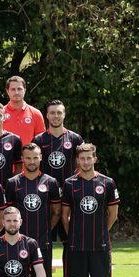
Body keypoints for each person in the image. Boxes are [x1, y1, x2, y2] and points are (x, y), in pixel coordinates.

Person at [61, 143, 119, 277]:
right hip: (76, 247)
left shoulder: (107, 183)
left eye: (89, 158)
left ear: (95, 158)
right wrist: (74, 235)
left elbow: (113, 214)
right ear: (77, 160)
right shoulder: (69, 184)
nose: (86, 161)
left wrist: (101, 232)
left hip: (99, 246)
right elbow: (65, 216)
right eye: (82, 158)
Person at [4, 143, 61, 277]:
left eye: (35, 158)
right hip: (17, 240)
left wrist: (46, 229)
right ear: (22, 158)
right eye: (28, 158)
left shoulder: (51, 182)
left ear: (41, 157)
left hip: (43, 240)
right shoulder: (12, 183)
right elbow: (7, 213)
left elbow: (57, 212)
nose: (32, 161)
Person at [33, 99, 84, 244]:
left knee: (71, 240)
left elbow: (83, 165)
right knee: (44, 240)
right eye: (52, 113)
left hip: (69, 195)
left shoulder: (75, 139)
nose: (56, 116)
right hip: (46, 196)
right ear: (47, 115)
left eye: (59, 113)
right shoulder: (38, 140)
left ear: (64, 114)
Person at [0, 206, 46, 277]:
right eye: (8, 221)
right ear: (3, 222)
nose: (12, 224)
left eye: (15, 220)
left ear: (20, 222)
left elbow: (39, 269)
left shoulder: (31, 243)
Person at [3, 75, 45, 144]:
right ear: (7, 91)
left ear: (24, 90)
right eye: (13, 89)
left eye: (19, 89)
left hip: (28, 151)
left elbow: (41, 141)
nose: (16, 92)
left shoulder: (36, 113)